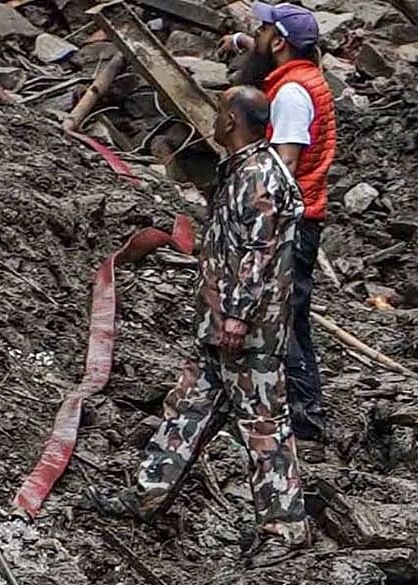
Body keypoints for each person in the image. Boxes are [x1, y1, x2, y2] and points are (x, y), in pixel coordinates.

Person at [127, 88, 304, 541]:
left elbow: (258, 252)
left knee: (265, 427)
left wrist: (238, 315)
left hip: (249, 333)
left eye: (221, 111)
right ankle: (147, 492)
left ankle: (284, 529)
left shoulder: (260, 176)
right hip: (220, 327)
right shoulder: (244, 171)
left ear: (232, 120)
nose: (215, 119)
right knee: (187, 409)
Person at [245, 2, 338, 449]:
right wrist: (243, 45)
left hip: (291, 222)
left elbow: (284, 165)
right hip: (308, 214)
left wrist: (260, 221)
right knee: (294, 316)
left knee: (283, 316)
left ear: (279, 41)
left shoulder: (290, 95)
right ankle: (305, 409)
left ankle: (303, 414)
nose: (255, 35)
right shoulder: (307, 79)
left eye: (261, 30)